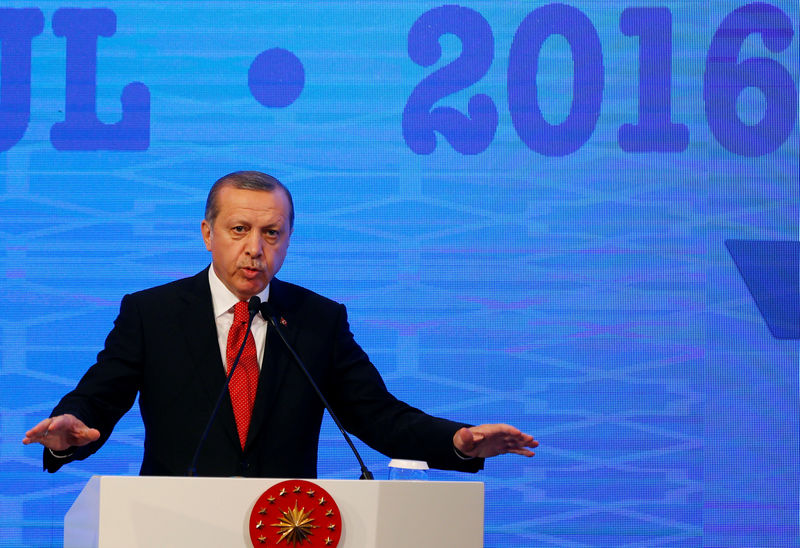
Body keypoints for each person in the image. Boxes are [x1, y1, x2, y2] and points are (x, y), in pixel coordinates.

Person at [23, 171, 537, 477]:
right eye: (239, 229)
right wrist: (68, 429)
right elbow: (99, 398)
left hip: (289, 529)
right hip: (175, 527)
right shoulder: (152, 313)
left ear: (288, 238)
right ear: (208, 233)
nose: (255, 249)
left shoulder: (318, 320)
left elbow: (378, 416)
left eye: (272, 233)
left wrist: (458, 441)